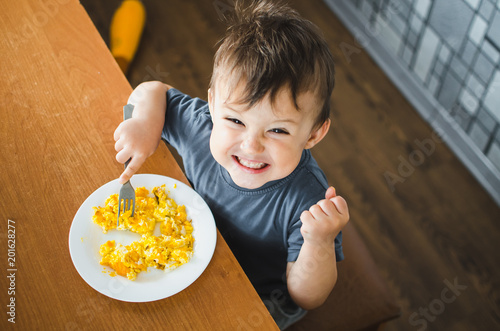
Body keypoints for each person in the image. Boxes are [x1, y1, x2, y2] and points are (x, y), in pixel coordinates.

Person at [113, 0, 349, 329]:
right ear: (212, 104)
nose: (251, 145)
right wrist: (144, 125)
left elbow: (306, 296)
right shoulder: (201, 127)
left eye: (278, 130)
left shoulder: (307, 201)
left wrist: (319, 240)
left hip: (258, 296)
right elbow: (151, 90)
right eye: (235, 121)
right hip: (189, 252)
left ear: (313, 134)